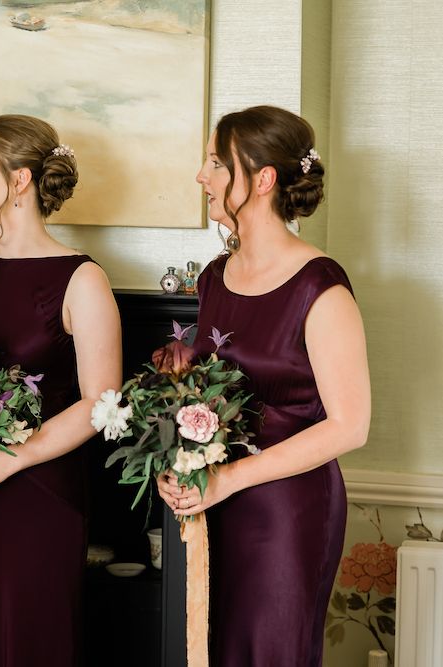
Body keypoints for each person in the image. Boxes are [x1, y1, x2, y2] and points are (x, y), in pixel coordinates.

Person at [156, 105, 371, 666]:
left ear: (263, 179)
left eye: (214, 163)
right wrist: (182, 471)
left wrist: (227, 479)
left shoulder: (320, 287)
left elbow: (351, 425)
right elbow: (205, 393)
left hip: (286, 511)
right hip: (214, 504)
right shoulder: (212, 279)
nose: (201, 176)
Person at [0, 114, 122, 667]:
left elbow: (100, 403)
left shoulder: (82, 279)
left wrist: (6, 460)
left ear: (19, 181)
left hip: (38, 499)